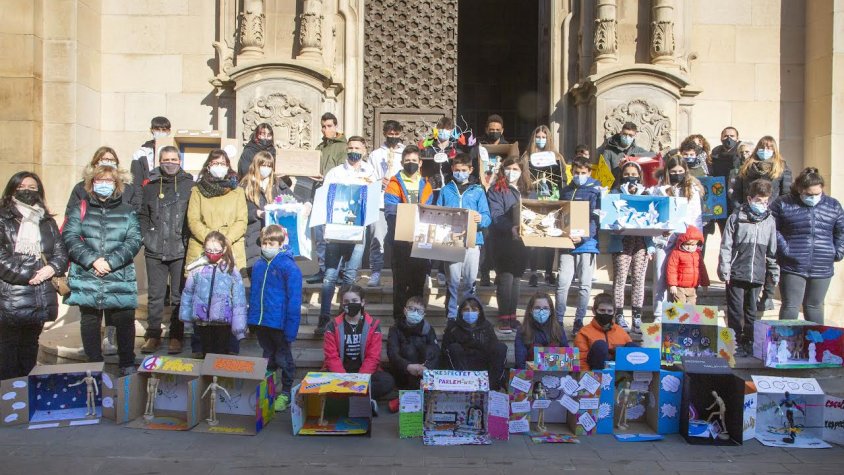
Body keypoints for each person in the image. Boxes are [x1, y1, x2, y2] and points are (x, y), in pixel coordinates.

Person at [63, 165, 142, 375]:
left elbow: (134, 240)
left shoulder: (128, 211)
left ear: (117, 185)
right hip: (88, 272)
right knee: (89, 320)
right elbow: (70, 237)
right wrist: (93, 260)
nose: (104, 184)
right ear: (91, 183)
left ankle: (126, 363)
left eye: (109, 181)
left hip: (119, 273)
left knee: (124, 320)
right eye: (100, 180)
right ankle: (94, 365)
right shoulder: (79, 208)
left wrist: (111, 262)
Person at [0, 172, 68, 380]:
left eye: (32, 187)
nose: (27, 190)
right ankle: (9, 399)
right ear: (12, 190)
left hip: (40, 297)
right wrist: (30, 275)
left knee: (30, 348)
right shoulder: (4, 219)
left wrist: (51, 268)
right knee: (8, 351)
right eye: (22, 187)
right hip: (12, 296)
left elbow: (60, 252)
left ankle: (26, 396)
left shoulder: (46, 221)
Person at [313, 136, 376, 335]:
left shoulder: (370, 172)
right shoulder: (335, 172)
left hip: (358, 232)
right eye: (350, 147)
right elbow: (324, 199)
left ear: (364, 150)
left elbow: (374, 201)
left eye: (357, 147)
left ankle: (343, 318)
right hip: (335, 231)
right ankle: (323, 319)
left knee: (350, 275)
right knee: (330, 276)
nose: (353, 150)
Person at [138, 146, 194, 354]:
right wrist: (146, 236)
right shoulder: (150, 187)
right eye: (165, 160)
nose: (169, 163)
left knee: (178, 295)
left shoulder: (189, 185)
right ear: (159, 162)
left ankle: (176, 336)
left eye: (173, 159)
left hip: (180, 248)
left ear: (179, 161)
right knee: (156, 294)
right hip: (155, 248)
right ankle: (153, 334)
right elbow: (143, 214)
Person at [770, 167, 844, 323]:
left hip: (822, 264)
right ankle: (785, 344)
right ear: (800, 190)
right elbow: (771, 228)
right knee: (791, 305)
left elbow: (841, 231)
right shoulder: (783, 204)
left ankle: (816, 345)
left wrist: (837, 252)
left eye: (818, 194)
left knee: (814, 306)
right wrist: (784, 249)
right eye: (809, 194)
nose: (814, 197)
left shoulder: (833, 205)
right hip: (793, 264)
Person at [729, 136, 793, 312]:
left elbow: (786, 194)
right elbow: (737, 192)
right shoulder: (747, 167)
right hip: (746, 217)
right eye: (763, 146)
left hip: (771, 218)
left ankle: (768, 295)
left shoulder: (782, 167)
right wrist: (740, 210)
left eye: (769, 147)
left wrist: (777, 215)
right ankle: (748, 296)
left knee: (771, 258)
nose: (766, 150)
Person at [719, 180, 779, 357]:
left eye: (765, 201)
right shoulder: (736, 218)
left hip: (757, 273)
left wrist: (773, 273)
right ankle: (734, 341)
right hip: (737, 272)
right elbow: (726, 246)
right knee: (735, 310)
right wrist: (725, 270)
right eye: (758, 200)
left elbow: (772, 251)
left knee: (751, 311)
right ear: (749, 198)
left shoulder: (770, 221)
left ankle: (749, 341)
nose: (762, 204)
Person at [247, 225, 302, 412]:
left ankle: (286, 393)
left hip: (279, 323)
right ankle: (268, 391)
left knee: (284, 358)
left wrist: (291, 328)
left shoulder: (289, 267)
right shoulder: (258, 266)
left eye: (271, 243)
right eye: (264, 243)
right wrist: (252, 319)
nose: (267, 246)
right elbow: (254, 294)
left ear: (280, 244)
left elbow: (294, 300)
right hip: (262, 322)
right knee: (267, 357)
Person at [435, 153, 491, 319]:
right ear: (452, 169)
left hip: (473, 242)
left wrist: (481, 219)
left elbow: (487, 217)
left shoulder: (478, 191)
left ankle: (469, 315)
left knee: (469, 281)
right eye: (457, 170)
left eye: (464, 170)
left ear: (470, 170)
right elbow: (438, 213)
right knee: (452, 282)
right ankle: (452, 316)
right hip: (451, 242)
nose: (460, 173)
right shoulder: (446, 190)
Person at [323, 285, 396, 405]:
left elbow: (373, 357)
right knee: (321, 380)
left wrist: (359, 380)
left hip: (364, 373)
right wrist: (344, 379)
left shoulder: (373, 325)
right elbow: (331, 357)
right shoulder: (332, 326)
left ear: (362, 302)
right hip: (341, 372)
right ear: (342, 304)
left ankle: (346, 397)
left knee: (387, 381)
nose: (350, 304)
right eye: (346, 301)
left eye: (354, 301)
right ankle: (361, 398)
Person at [650, 155, 704, 318]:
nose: (677, 174)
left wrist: (697, 239)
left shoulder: (692, 188)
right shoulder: (659, 187)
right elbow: (653, 212)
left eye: (681, 171)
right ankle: (659, 315)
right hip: (664, 237)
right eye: (674, 171)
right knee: (660, 277)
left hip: (685, 238)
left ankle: (678, 315)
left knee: (680, 279)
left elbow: (696, 215)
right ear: (668, 171)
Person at [384, 146, 434, 318]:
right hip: (400, 242)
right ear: (401, 162)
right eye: (407, 161)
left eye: (414, 161)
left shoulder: (426, 185)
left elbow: (429, 212)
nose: (410, 164)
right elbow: (390, 211)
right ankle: (399, 319)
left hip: (421, 243)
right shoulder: (394, 183)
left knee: (418, 283)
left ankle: (417, 317)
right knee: (400, 284)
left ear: (420, 163)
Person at [180, 231, 247, 355]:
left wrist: (239, 328)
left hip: (223, 321)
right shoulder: (196, 268)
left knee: (221, 355)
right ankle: (207, 375)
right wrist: (187, 320)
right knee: (206, 353)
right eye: (209, 250)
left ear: (224, 248)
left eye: (216, 250)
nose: (213, 253)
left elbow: (239, 300)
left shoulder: (231, 269)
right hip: (202, 320)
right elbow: (188, 293)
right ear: (204, 248)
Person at [556, 156, 601, 336]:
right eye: (576, 173)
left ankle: (579, 320)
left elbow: (595, 218)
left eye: (583, 173)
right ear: (571, 172)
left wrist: (583, 237)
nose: (579, 176)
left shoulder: (596, 191)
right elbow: (560, 213)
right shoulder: (566, 190)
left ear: (589, 173)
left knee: (584, 284)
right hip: (566, 242)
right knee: (562, 282)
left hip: (587, 243)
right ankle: (559, 320)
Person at [609, 161, 654, 334]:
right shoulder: (615, 192)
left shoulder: (646, 192)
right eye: (627, 175)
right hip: (622, 240)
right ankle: (619, 315)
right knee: (620, 278)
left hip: (641, 242)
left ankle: (637, 317)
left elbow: (651, 220)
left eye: (634, 175)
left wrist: (650, 246)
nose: (631, 178)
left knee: (638, 279)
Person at [487, 156, 530, 333]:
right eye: (509, 168)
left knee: (517, 278)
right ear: (503, 170)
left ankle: (513, 317)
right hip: (503, 241)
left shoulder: (526, 190)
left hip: (522, 243)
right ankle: (504, 318)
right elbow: (496, 215)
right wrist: (510, 228)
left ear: (522, 172)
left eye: (516, 169)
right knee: (505, 278)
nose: (512, 172)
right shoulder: (496, 190)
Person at [186, 149, 248, 270]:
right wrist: (212, 242)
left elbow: (241, 221)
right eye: (215, 163)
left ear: (228, 167)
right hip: (203, 247)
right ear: (208, 166)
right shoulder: (197, 190)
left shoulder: (238, 191)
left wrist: (225, 240)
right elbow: (193, 220)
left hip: (231, 247)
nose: (219, 166)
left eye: (223, 163)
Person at [306, 112, 349, 284]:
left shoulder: (344, 146)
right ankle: (323, 269)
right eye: (323, 127)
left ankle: (339, 271)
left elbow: (343, 171)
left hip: (337, 195)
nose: (326, 130)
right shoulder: (319, 148)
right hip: (319, 194)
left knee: (336, 234)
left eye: (329, 126)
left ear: (336, 126)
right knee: (320, 234)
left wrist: (325, 178)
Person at [524, 125, 568, 287]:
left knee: (550, 237)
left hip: (552, 202)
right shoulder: (527, 157)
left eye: (543, 137)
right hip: (533, 201)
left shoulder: (557, 157)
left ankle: (549, 272)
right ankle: (534, 272)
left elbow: (563, 180)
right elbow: (523, 179)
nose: (540, 140)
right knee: (534, 237)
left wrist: (562, 200)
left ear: (548, 139)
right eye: (538, 137)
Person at [368, 120, 406, 287]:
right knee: (377, 239)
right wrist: (378, 181)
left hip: (401, 203)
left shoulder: (406, 153)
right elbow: (367, 177)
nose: (393, 136)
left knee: (402, 239)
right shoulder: (375, 155)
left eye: (396, 134)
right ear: (384, 133)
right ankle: (376, 271)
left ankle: (401, 272)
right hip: (380, 202)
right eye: (390, 133)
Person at [240, 150, 292, 273]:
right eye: (263, 165)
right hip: (254, 236)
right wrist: (256, 213)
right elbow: (238, 212)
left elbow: (292, 198)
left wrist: (306, 204)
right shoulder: (244, 185)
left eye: (269, 166)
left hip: (276, 236)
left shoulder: (278, 183)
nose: (266, 169)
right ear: (256, 165)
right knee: (257, 274)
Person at [441, 296, 508, 390]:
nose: (470, 312)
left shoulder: (487, 326)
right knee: (454, 347)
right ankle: (464, 386)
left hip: (484, 366)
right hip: (462, 366)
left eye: (474, 309)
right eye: (466, 310)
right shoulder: (453, 328)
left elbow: (494, 347)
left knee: (501, 347)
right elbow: (445, 351)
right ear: (460, 312)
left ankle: (492, 387)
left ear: (479, 312)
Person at [387, 296, 440, 397]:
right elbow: (392, 353)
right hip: (404, 372)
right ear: (405, 310)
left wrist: (426, 368)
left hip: (423, 372)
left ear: (424, 314)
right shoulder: (395, 329)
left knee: (429, 349)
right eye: (411, 309)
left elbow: (436, 351)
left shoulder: (428, 329)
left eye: (419, 311)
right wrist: (408, 366)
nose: (415, 313)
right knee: (408, 349)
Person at [66, 146, 141, 216]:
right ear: (95, 163)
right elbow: (70, 214)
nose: (108, 163)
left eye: (111, 160)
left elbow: (135, 213)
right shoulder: (81, 187)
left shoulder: (127, 189)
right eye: (104, 159)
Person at [574, 293, 636, 371]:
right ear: (594, 311)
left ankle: (636, 378)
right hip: (595, 373)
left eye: (609, 311)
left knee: (631, 346)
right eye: (602, 310)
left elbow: (633, 355)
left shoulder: (621, 331)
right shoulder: (584, 332)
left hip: (619, 372)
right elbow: (581, 359)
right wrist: (586, 378)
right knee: (600, 345)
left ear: (614, 312)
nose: (606, 313)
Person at [514, 293, 568, 369]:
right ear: (531, 310)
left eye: (545, 308)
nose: (541, 311)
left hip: (556, 375)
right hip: (531, 375)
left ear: (551, 311)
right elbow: (520, 362)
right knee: (535, 348)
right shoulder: (522, 331)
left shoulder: (558, 329)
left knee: (553, 346)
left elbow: (567, 358)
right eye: (537, 308)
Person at [708, 127, 742, 233]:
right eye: (726, 136)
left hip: (736, 196)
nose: (729, 139)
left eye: (732, 136)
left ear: (737, 138)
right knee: (724, 232)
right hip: (720, 197)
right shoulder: (716, 152)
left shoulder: (742, 152)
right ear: (721, 137)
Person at [665, 225, 708, 304]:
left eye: (693, 245)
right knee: (679, 306)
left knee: (691, 307)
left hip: (693, 287)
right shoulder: (676, 253)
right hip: (679, 287)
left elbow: (702, 269)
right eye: (687, 244)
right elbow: (671, 269)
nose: (690, 247)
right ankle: (673, 315)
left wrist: (705, 283)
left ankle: (687, 316)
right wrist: (672, 285)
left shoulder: (697, 254)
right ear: (682, 242)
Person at [131, 116, 171, 187]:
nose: (161, 132)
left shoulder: (175, 151)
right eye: (157, 129)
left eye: (164, 130)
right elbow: (136, 180)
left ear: (169, 131)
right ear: (151, 130)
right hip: (148, 190)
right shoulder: (141, 153)